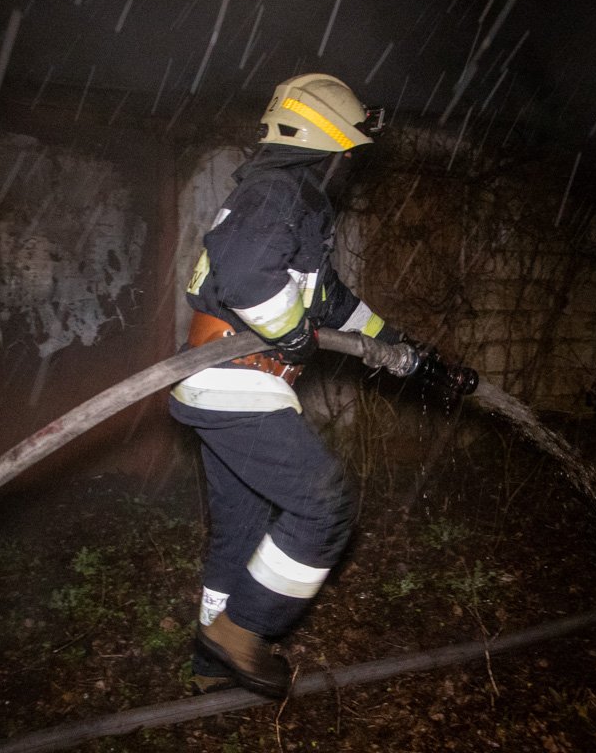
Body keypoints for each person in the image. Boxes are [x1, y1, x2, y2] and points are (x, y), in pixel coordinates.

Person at [168, 74, 422, 699]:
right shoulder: (280, 190)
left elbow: (328, 299)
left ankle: (210, 660)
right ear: (330, 141)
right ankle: (242, 632)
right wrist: (290, 337)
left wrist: (391, 343)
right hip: (238, 381)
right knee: (324, 507)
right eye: (350, 151)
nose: (350, 166)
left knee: (243, 524)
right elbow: (247, 275)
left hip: (220, 382)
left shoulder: (287, 197)